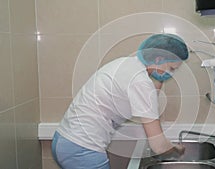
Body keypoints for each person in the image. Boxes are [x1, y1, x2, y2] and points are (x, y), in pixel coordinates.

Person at [51, 33, 189, 169]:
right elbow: (158, 146)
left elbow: (149, 100)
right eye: (171, 68)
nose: (171, 74)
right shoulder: (139, 81)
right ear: (158, 59)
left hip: (65, 140)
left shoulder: (127, 64)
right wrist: (176, 151)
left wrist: (159, 77)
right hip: (81, 149)